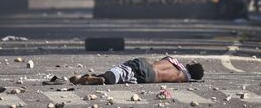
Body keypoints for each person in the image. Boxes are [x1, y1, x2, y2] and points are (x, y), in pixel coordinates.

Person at [69, 56, 204, 85]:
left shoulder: (173, 60)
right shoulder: (184, 77)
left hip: (145, 66)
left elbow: (156, 61)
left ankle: (100, 77)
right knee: (124, 78)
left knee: (123, 70)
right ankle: (94, 78)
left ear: (190, 65)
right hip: (149, 78)